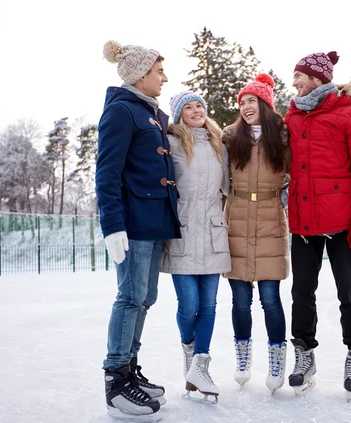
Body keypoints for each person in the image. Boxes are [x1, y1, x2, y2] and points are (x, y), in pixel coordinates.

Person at [284, 51, 351, 396]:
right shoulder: (292, 118)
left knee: (349, 291)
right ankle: (304, 354)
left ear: (317, 78)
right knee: (301, 292)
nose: (294, 83)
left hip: (343, 221)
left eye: (299, 76)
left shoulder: (350, 116)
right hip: (304, 220)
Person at [95, 40, 180, 417]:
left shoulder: (152, 115)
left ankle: (129, 369)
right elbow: (107, 172)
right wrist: (112, 225)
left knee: (145, 298)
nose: (164, 77)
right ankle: (116, 382)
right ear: (140, 75)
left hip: (154, 222)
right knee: (129, 297)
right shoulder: (122, 112)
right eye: (159, 71)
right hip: (131, 223)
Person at [159, 91, 231, 403]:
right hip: (184, 231)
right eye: (188, 107)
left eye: (199, 105)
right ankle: (189, 350)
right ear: (178, 115)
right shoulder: (171, 143)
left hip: (214, 230)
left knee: (210, 304)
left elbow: (231, 185)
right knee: (188, 305)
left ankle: (201, 363)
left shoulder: (220, 145)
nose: (195, 110)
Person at [222, 73, 290, 394]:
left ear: (265, 103)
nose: (247, 106)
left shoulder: (284, 138)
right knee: (239, 301)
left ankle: (277, 358)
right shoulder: (230, 137)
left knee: (270, 299)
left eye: (252, 100)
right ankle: (243, 356)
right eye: (243, 102)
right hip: (235, 220)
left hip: (270, 221)